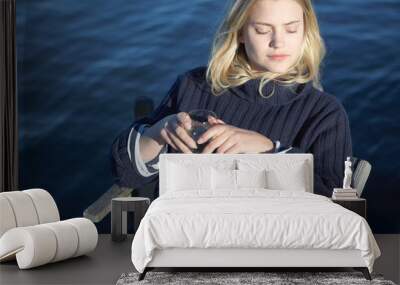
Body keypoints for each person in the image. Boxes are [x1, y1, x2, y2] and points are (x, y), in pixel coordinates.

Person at [110, 0, 352, 198]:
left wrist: (268, 150)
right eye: (262, 29)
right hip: (186, 239)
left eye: (291, 29)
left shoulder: (324, 113)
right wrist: (158, 133)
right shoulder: (192, 86)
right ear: (241, 33)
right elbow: (125, 174)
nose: (278, 42)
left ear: (305, 31)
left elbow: (335, 202)